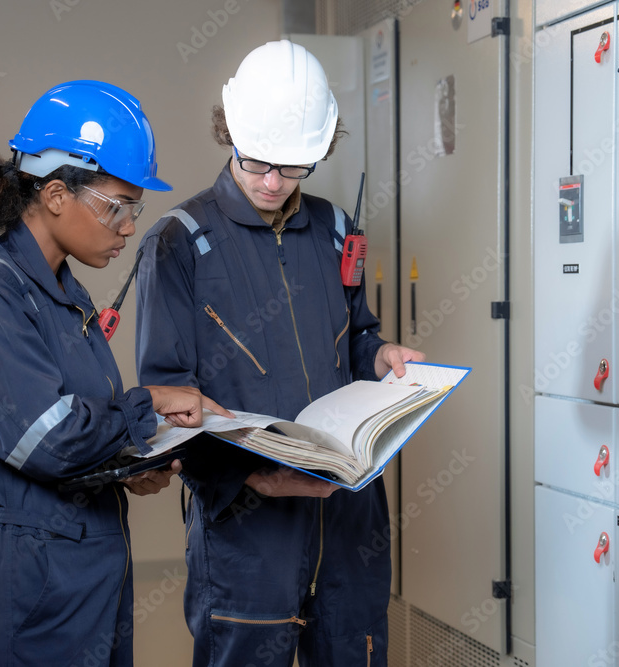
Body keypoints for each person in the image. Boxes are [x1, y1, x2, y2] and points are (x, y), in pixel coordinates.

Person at [0, 80, 229, 666]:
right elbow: (47, 437)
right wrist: (150, 403)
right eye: (118, 207)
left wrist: (125, 468)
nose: (130, 227)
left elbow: (81, 432)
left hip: (92, 564)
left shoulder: (65, 293)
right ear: (58, 193)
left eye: (136, 209)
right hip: (31, 577)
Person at [135, 41, 424, 666]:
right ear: (229, 133)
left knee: (356, 649)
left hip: (347, 515)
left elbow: (359, 338)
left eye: (293, 168)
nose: (273, 183)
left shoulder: (336, 229)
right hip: (247, 524)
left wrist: (384, 357)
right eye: (259, 162)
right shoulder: (178, 244)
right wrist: (252, 475)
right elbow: (167, 399)